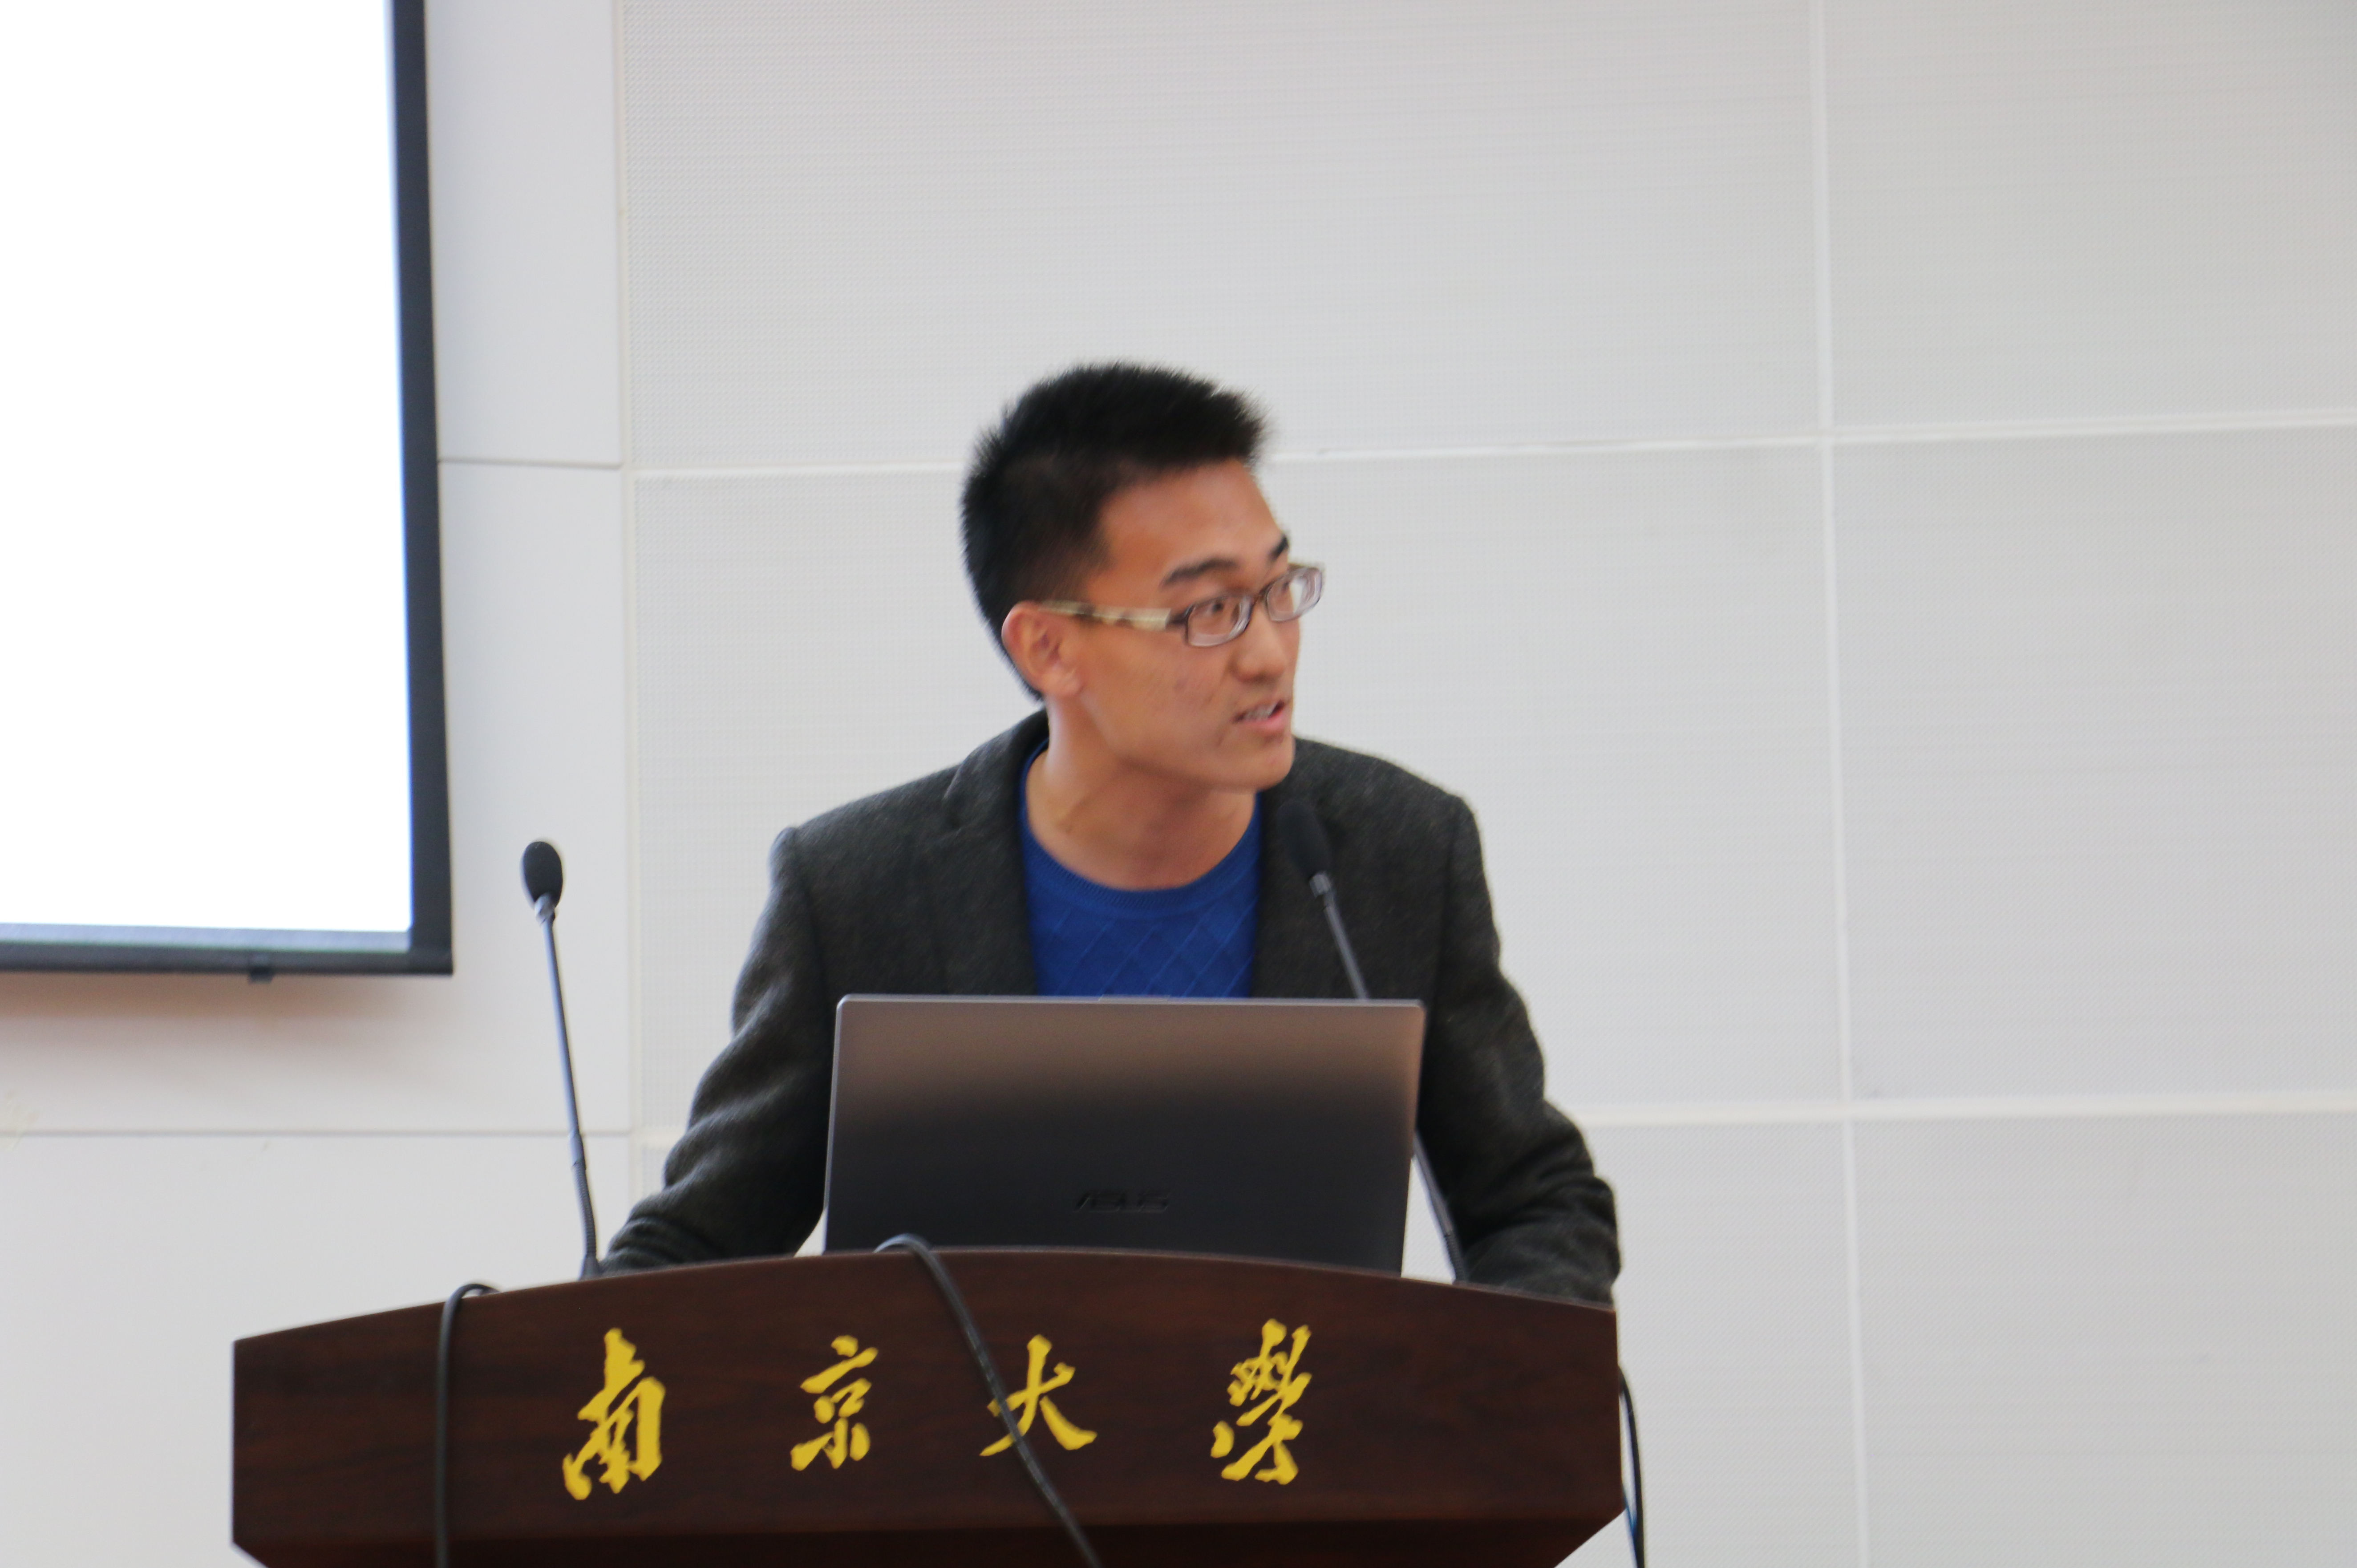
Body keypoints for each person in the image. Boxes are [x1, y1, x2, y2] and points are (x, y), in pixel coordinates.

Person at [603, 363, 1618, 1302]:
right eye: (1211, 611)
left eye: (1280, 590)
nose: (1270, 654)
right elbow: (696, 1246)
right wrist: (565, 1365)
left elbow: (1534, 1203)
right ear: (1049, 647)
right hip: (966, 1442)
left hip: (1287, 1431)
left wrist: (1476, 1395)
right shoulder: (855, 891)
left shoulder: (1395, 855)